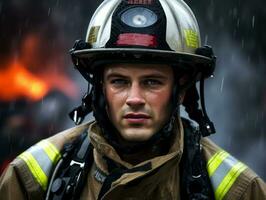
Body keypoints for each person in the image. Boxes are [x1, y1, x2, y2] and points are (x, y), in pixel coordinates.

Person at [0, 0, 265, 199]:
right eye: (119, 82)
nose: (135, 99)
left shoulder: (238, 190)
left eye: (152, 82)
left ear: (181, 89)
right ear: (99, 88)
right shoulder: (33, 178)